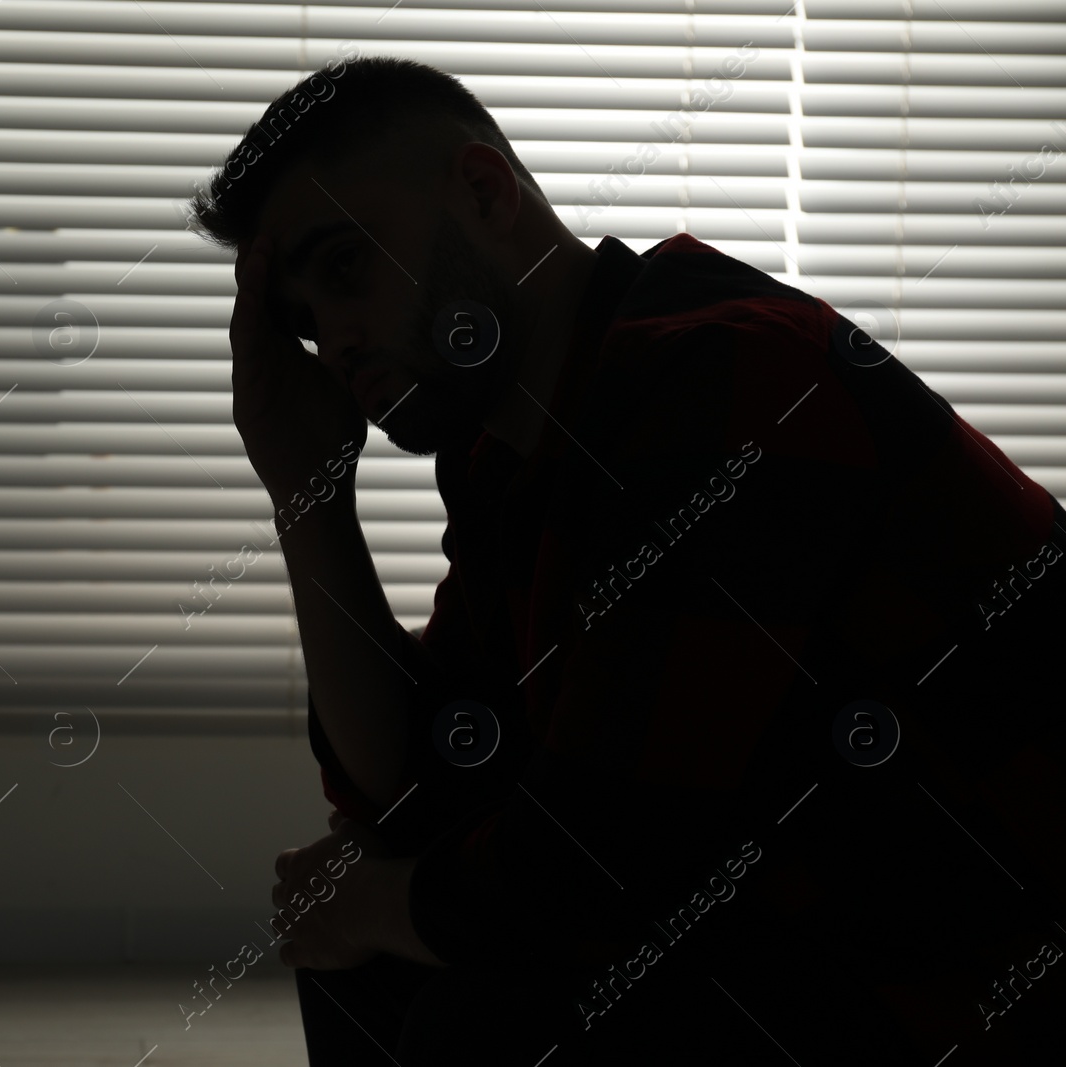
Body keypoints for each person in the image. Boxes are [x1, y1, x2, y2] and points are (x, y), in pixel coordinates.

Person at [186, 55, 1066, 1065]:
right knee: (389, 954)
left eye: (344, 267)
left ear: (482, 192)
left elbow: (606, 859)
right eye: (300, 326)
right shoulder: (511, 444)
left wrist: (382, 901)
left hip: (990, 958)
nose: (332, 341)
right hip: (828, 907)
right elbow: (421, 783)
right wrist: (308, 493)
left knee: (476, 1001)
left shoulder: (721, 374)